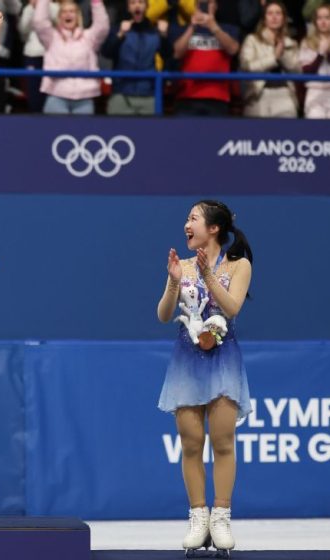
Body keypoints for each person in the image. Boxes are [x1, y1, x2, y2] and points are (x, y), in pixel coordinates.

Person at [156, 200, 253, 557]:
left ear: (213, 228)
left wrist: (208, 275)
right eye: (187, 218)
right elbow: (164, 315)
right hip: (186, 363)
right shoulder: (181, 266)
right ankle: (198, 517)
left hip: (224, 362)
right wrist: (173, 281)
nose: (186, 224)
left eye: (193, 218)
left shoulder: (238, 265)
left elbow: (232, 308)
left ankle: (221, 517)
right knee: (192, 442)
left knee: (223, 441)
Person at [32, 0, 109, 115]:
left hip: (84, 98)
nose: (68, 14)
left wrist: (96, 2)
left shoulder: (89, 38)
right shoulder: (51, 37)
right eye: (64, 12)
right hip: (56, 95)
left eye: (72, 11)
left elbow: (102, 26)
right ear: (59, 17)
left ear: (78, 16)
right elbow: (39, 22)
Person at [239, 0, 300, 118]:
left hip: (285, 94)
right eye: (270, 13)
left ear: (284, 18)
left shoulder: (291, 43)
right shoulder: (252, 40)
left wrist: (283, 55)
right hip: (258, 94)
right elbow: (247, 67)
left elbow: (297, 70)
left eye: (278, 13)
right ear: (264, 18)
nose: (274, 17)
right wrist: (274, 58)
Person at [300, 2, 330, 118]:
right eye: (319, 18)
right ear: (315, 21)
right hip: (315, 92)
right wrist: (320, 54)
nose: (323, 21)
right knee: (316, 126)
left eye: (327, 18)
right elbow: (307, 72)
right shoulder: (307, 42)